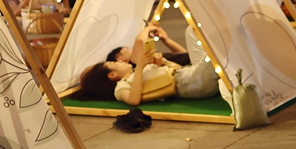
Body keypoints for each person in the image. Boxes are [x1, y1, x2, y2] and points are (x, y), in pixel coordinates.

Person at [78, 24, 219, 106]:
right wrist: (140, 66)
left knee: (192, 30)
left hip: (190, 73)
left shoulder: (136, 72)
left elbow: (180, 68)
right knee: (217, 48)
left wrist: (162, 62)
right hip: (192, 83)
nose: (119, 62)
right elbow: (133, 100)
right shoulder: (121, 87)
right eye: (113, 63)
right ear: (112, 75)